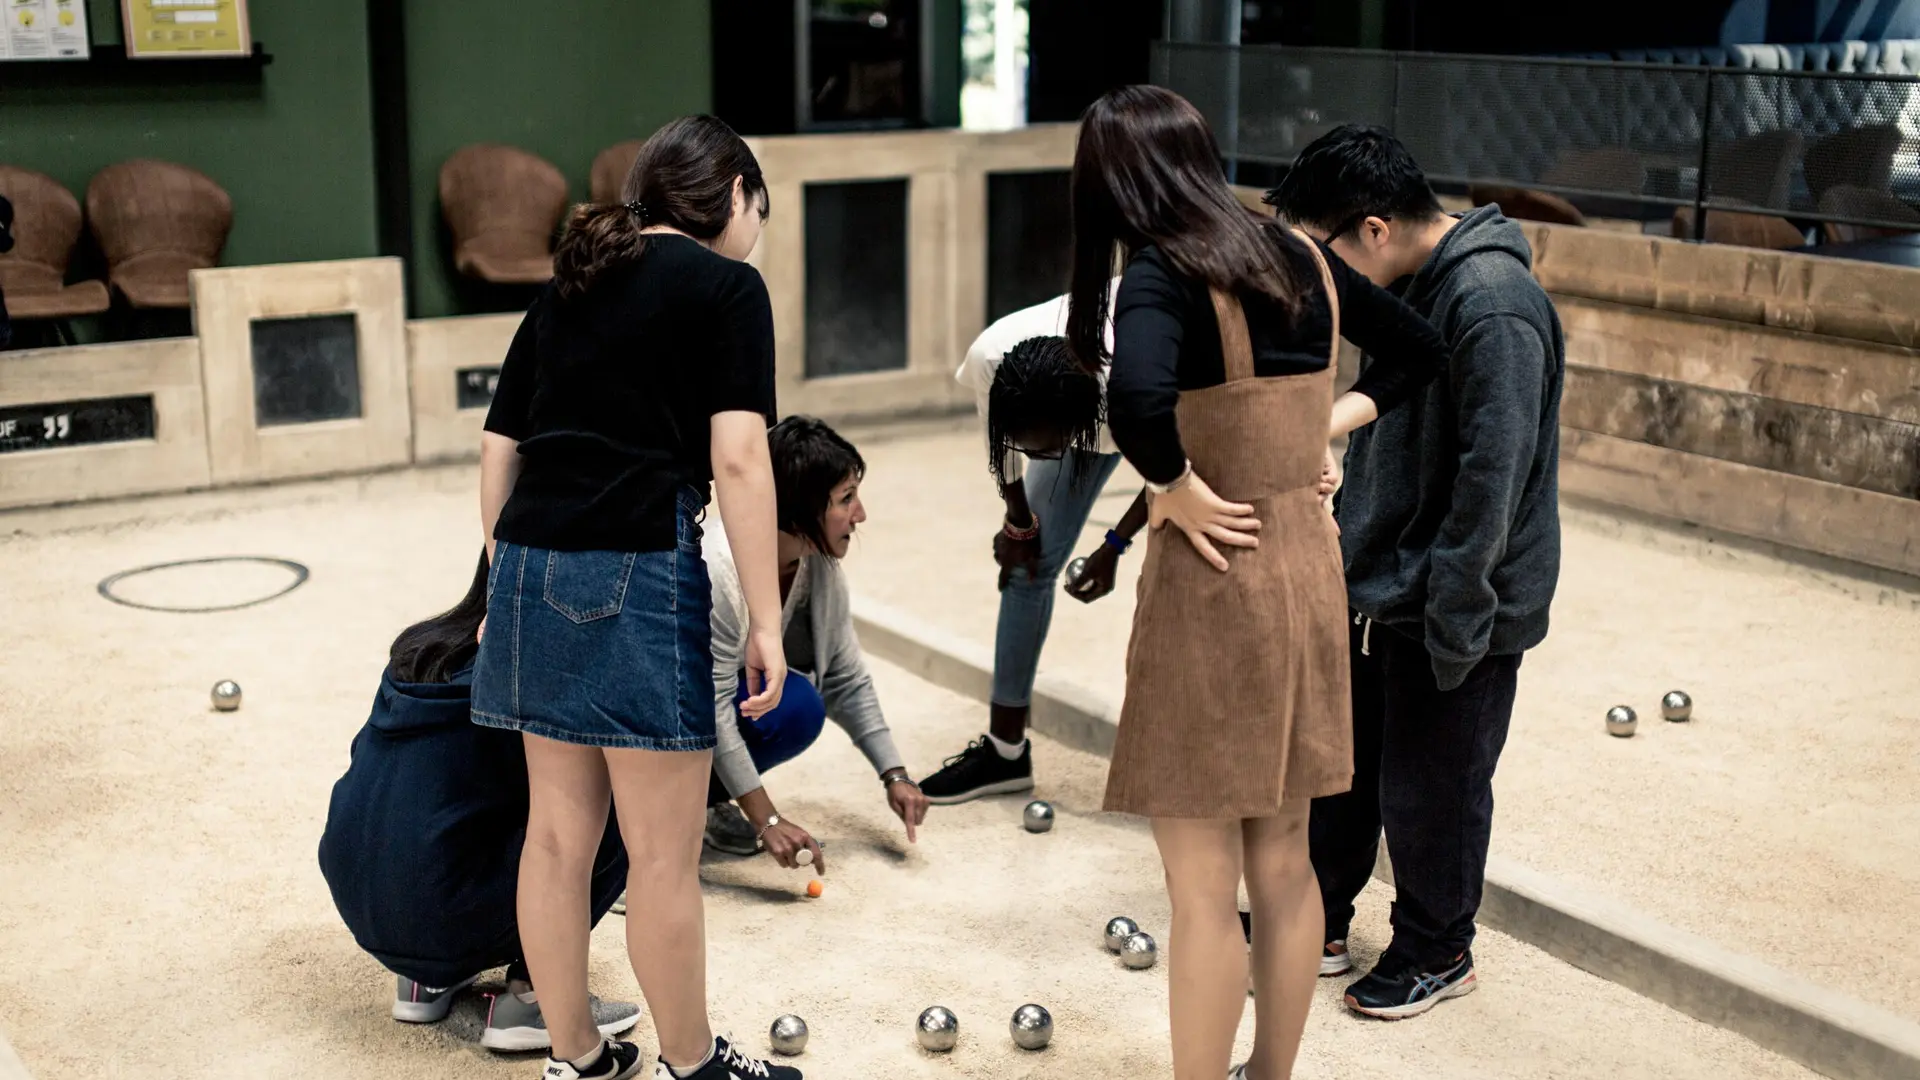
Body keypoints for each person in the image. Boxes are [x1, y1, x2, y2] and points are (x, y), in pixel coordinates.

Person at [1069, 86, 1449, 1080]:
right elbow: (1420, 350)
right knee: (1286, 862)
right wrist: (1322, 426)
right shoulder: (1304, 258)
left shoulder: (1164, 272)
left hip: (1214, 582)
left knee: (1200, 887)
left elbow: (1139, 398)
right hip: (1307, 571)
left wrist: (1175, 487)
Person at [474, 115, 802, 1080]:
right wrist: (769, 623)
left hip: (530, 562)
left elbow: (499, 451)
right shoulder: (729, 288)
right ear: (735, 195)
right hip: (635, 565)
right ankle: (692, 1066)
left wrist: (507, 576)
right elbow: (740, 459)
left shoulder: (568, 284)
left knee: (554, 835)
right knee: (660, 856)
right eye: (759, 209)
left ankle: (573, 1058)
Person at [1265, 124, 1564, 1020]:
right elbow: (1403, 429)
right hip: (1382, 581)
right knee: (1349, 769)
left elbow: (1492, 478)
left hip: (1456, 600)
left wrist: (1457, 612)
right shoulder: (1411, 289)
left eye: (1324, 252)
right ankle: (1318, 916)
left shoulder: (1493, 303)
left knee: (1433, 786)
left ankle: (1438, 949)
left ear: (1373, 230)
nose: (1319, 278)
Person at [318, 552, 642, 1052]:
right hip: (439, 908)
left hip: (359, 894)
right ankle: (531, 999)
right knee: (608, 800)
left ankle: (428, 981)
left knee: (447, 800)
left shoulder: (421, 647)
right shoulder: (533, 670)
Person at [918, 283, 1157, 804]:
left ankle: (1170, 755)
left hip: (1149, 407)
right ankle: (1006, 754)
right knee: (1027, 565)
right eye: (1034, 452)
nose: (1044, 462)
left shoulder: (1141, 385)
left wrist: (1115, 545)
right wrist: (1018, 523)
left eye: (1053, 451)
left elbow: (1175, 474)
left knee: (1175, 575)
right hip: (1067, 397)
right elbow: (999, 451)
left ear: (1081, 428)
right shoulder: (992, 359)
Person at [700, 415, 930, 862]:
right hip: (657, 724)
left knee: (797, 706)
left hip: (710, 713)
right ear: (802, 510)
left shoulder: (817, 563)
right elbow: (707, 708)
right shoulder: (720, 573)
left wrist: (894, 773)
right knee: (786, 704)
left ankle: (704, 800)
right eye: (846, 499)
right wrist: (766, 818)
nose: (860, 515)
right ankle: (635, 818)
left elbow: (845, 676)